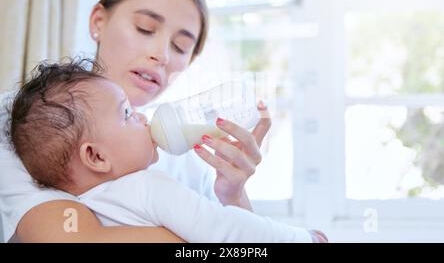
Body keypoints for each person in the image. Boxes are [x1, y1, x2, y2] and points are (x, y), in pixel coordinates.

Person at [0, 0, 325, 243]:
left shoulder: (186, 155)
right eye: (145, 28)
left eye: (181, 47)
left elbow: (238, 241)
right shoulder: (23, 121)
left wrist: (232, 195)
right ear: (99, 21)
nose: (161, 55)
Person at [6, 60, 325, 242]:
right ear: (97, 157)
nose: (144, 117)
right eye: (127, 114)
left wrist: (234, 192)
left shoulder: (82, 207)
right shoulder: (146, 188)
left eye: (182, 46)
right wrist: (303, 239)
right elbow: (222, 230)